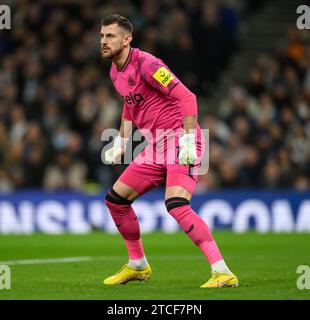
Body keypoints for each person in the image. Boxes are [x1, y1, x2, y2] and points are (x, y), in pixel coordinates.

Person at [100, 14, 238, 288]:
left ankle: (222, 271)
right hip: (155, 146)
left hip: (180, 140)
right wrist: (121, 141)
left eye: (110, 36)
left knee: (176, 205)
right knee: (116, 200)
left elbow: (187, 97)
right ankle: (138, 265)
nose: (103, 41)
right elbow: (130, 105)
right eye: (102, 36)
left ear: (127, 39)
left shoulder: (148, 64)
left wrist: (187, 140)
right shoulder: (115, 71)